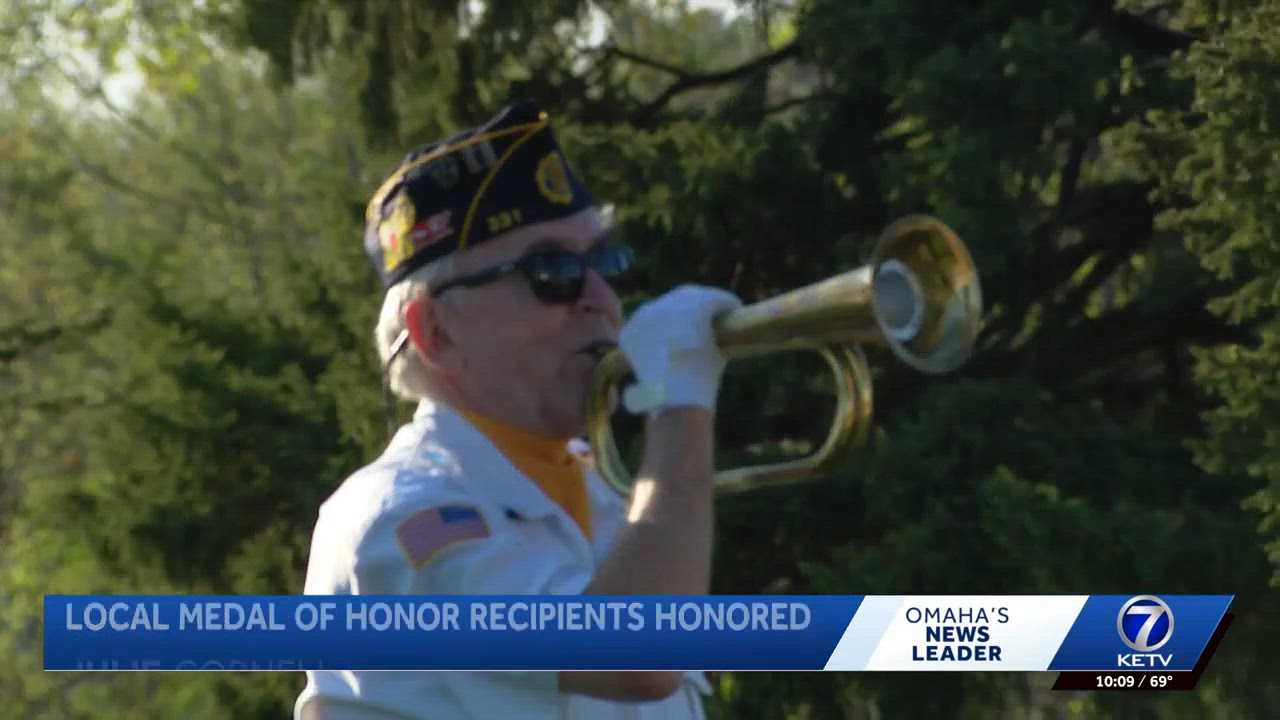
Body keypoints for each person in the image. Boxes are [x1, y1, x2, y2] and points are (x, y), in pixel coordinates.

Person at [295, 101, 741, 719]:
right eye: (551, 271)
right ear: (435, 331)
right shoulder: (400, 518)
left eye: (603, 262)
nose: (602, 299)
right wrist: (681, 404)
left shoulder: (604, 492)